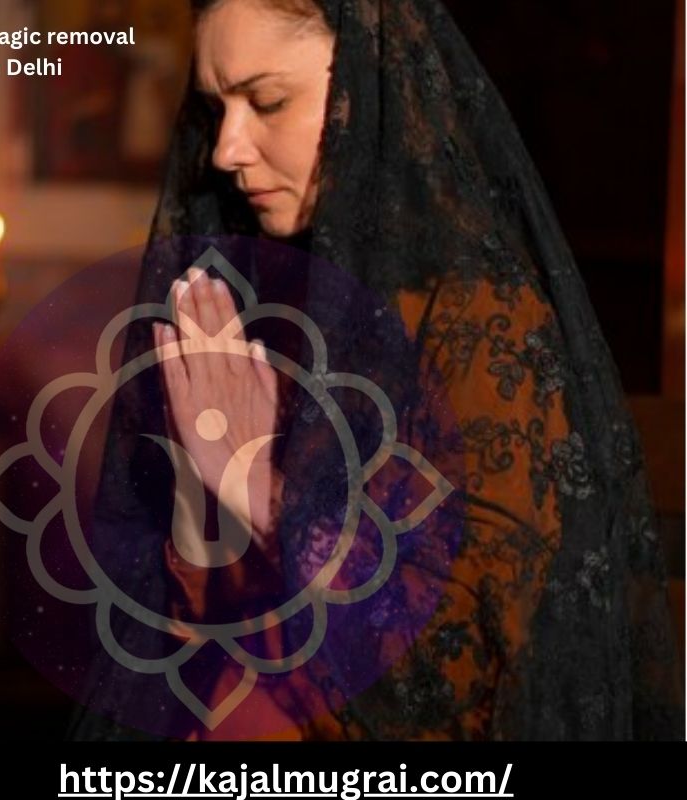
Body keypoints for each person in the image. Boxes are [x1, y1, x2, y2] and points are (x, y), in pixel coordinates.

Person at [69, 0, 683, 740]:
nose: (226, 148)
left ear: (369, 85)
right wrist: (204, 495)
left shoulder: (483, 331)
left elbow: (454, 684)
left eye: (268, 101)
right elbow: (197, 633)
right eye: (215, 109)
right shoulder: (272, 305)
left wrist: (260, 489)